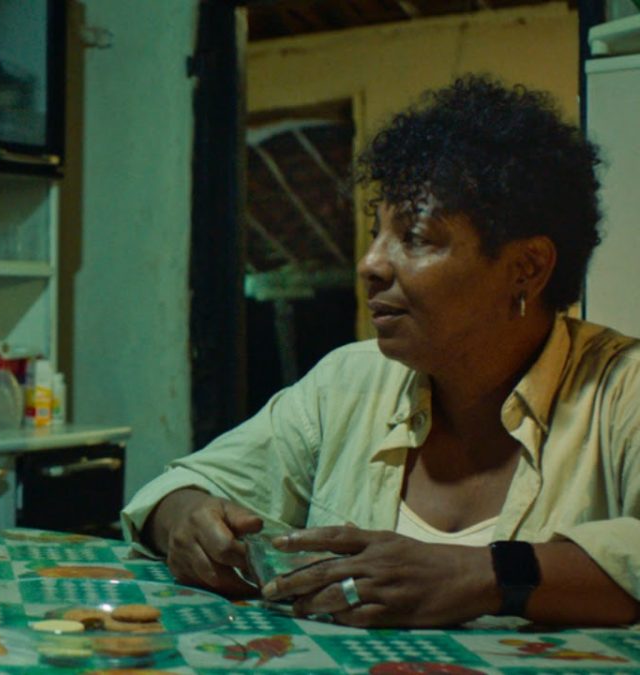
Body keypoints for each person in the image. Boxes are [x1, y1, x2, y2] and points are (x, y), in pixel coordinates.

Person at [122, 75, 640, 627]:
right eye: (376, 234)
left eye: (415, 238)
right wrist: (188, 521)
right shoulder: (349, 380)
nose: (370, 264)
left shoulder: (621, 390)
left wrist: (479, 576)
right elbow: (177, 491)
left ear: (527, 268)